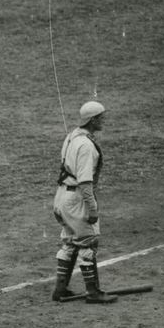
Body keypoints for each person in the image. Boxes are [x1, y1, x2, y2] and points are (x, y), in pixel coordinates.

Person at [51, 101, 117, 304]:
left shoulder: (72, 136)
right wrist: (92, 208)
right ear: (93, 120)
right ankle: (93, 292)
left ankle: (60, 290)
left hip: (62, 197)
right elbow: (86, 182)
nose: (104, 120)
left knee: (70, 242)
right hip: (77, 199)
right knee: (88, 242)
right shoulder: (87, 145)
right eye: (101, 117)